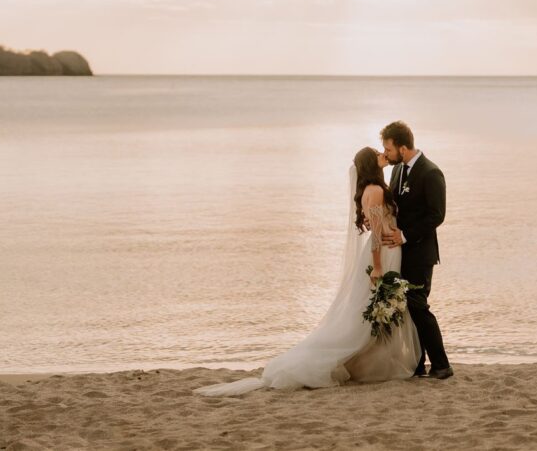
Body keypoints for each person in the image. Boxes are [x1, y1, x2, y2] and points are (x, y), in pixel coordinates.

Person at [192, 147, 419, 396]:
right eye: (377, 153)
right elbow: (376, 235)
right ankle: (347, 361)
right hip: (382, 254)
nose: (381, 154)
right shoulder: (374, 191)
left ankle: (367, 361)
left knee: (366, 312)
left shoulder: (372, 189)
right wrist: (377, 267)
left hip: (388, 251)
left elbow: (375, 224)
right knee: (363, 315)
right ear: (370, 163)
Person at [379, 120, 452, 380]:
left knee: (419, 306)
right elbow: (395, 205)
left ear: (402, 147)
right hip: (402, 252)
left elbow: (437, 215)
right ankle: (419, 364)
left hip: (421, 252)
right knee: (408, 307)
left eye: (388, 148)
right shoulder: (398, 171)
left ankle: (442, 365)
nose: (385, 153)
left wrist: (406, 235)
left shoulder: (431, 172)